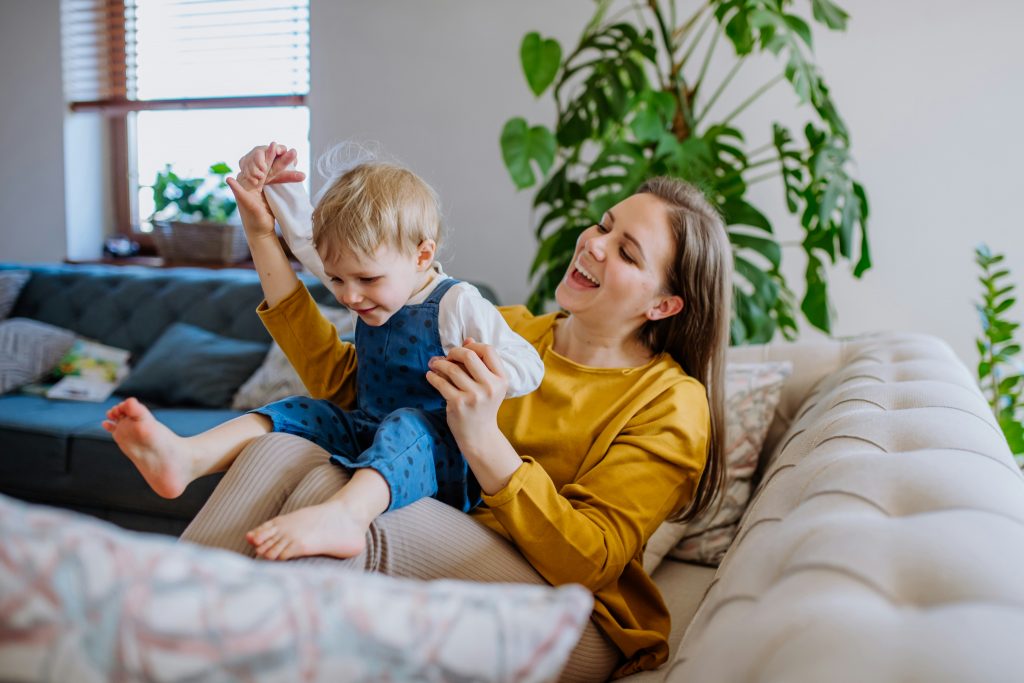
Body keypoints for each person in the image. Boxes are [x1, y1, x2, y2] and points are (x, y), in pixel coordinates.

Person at [160, 144, 731, 681]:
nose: (596, 244)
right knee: (282, 446)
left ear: (663, 304)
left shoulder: (671, 402)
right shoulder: (512, 328)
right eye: (605, 224)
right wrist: (264, 234)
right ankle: (146, 629)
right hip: (459, 536)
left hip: (572, 613)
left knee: (346, 506)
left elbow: (590, 562)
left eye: (627, 251)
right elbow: (350, 390)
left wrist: (483, 440)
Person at [103, 143, 544, 562]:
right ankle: (189, 457)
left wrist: (486, 370)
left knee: (409, 423)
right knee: (301, 408)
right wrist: (277, 186)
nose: (350, 296)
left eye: (367, 281)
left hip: (438, 456)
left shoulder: (457, 303)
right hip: (367, 428)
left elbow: (530, 364)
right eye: (336, 280)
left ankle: (347, 515)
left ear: (422, 256)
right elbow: (304, 239)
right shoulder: (360, 272)